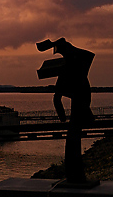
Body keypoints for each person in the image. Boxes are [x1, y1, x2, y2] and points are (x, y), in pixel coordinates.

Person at [37, 37, 95, 185]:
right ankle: (74, 175)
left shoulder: (74, 68)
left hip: (80, 101)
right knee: (73, 139)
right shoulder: (71, 69)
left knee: (73, 138)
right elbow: (57, 97)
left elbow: (57, 97)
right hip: (80, 100)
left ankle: (76, 176)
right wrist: (62, 116)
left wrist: (62, 116)